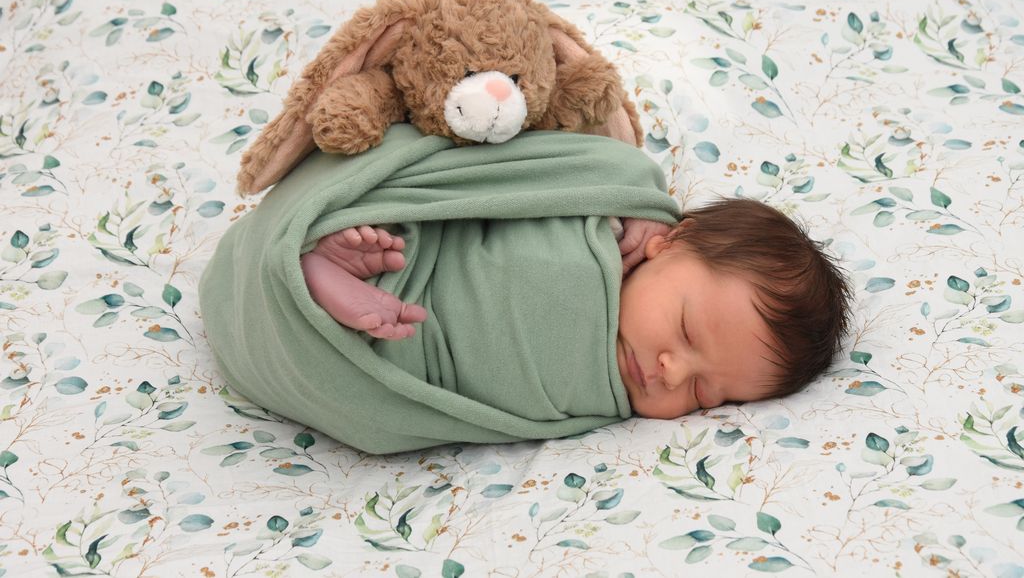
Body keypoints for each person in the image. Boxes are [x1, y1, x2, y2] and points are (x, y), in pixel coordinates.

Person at [300, 197, 854, 420]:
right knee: (392, 244)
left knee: (373, 353)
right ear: (670, 243)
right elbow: (551, 163)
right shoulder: (608, 226)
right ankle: (336, 265)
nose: (672, 372)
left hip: (406, 369)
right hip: (427, 265)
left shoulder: (604, 408)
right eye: (686, 330)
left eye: (705, 394)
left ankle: (331, 294)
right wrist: (633, 197)